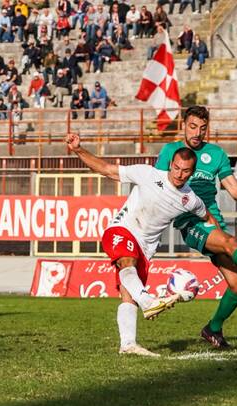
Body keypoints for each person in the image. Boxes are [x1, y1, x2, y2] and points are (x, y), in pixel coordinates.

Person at [66, 132, 218, 356]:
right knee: (127, 263)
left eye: (185, 171)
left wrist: (225, 243)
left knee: (128, 295)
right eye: (176, 167)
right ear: (170, 164)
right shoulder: (148, 173)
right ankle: (148, 302)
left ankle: (128, 344)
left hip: (146, 248)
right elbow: (107, 169)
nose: (179, 174)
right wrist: (78, 149)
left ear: (192, 172)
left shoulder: (191, 199)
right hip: (121, 230)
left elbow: (209, 219)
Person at [154, 105, 237, 349]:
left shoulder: (216, 154)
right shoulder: (170, 151)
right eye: (193, 126)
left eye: (203, 128)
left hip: (214, 222)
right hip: (190, 222)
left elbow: (235, 191)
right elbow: (157, 186)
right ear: (183, 125)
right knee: (231, 243)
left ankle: (212, 328)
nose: (197, 133)